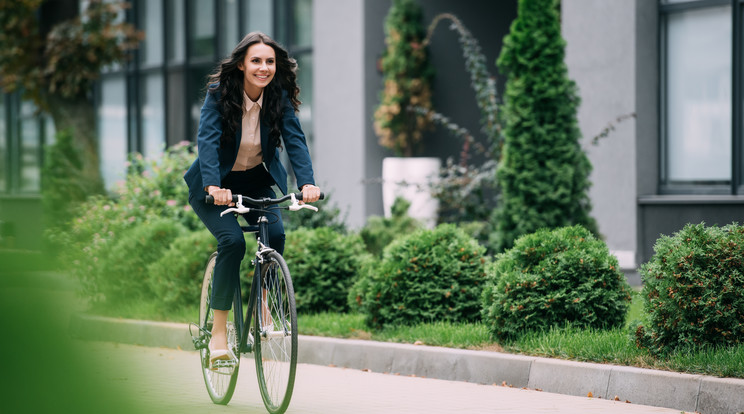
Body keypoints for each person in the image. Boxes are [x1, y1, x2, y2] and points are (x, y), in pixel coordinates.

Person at [184, 32, 321, 364]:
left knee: (275, 234)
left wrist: (307, 183)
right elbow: (209, 140)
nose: (264, 67)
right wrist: (214, 187)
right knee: (233, 243)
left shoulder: (279, 96)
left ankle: (262, 304)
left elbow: (295, 140)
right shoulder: (219, 95)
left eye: (270, 61)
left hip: (256, 182)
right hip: (216, 187)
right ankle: (218, 335)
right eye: (256, 61)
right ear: (242, 65)